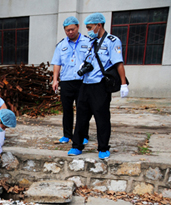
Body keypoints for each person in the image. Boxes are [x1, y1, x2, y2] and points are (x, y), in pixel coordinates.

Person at [68, 13, 128, 160]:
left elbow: (118, 63)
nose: (88, 30)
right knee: (81, 117)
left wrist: (123, 84)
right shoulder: (90, 42)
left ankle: (103, 148)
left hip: (100, 86)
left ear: (98, 25)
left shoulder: (112, 41)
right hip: (86, 84)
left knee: (102, 118)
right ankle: (77, 146)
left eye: (89, 27)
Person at [51, 16, 91, 145]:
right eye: (67, 30)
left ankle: (83, 135)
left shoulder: (88, 42)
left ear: (78, 27)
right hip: (67, 81)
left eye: (72, 29)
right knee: (67, 109)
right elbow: (57, 64)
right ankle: (67, 135)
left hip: (82, 81)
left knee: (82, 110)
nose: (70, 32)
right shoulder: (61, 45)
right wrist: (55, 80)